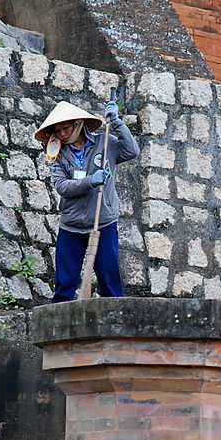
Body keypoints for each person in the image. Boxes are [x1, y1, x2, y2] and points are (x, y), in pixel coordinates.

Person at [34, 99, 140, 303]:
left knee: (109, 279)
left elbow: (131, 151)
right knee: (65, 283)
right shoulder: (58, 154)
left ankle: (116, 324)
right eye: (58, 131)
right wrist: (91, 181)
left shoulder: (105, 143)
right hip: (71, 225)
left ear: (78, 124)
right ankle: (60, 328)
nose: (62, 134)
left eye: (65, 128)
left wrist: (117, 122)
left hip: (103, 222)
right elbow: (62, 187)